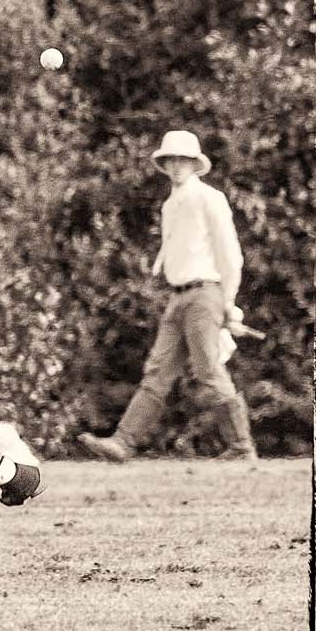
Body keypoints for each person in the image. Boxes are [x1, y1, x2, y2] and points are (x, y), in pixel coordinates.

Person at [77, 130, 256, 462]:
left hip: (205, 294)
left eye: (182, 160)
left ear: (194, 163)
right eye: (170, 160)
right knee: (157, 371)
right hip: (178, 298)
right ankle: (123, 442)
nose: (176, 166)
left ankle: (241, 446)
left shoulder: (209, 198)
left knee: (208, 370)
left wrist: (228, 303)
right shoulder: (171, 205)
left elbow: (231, 256)